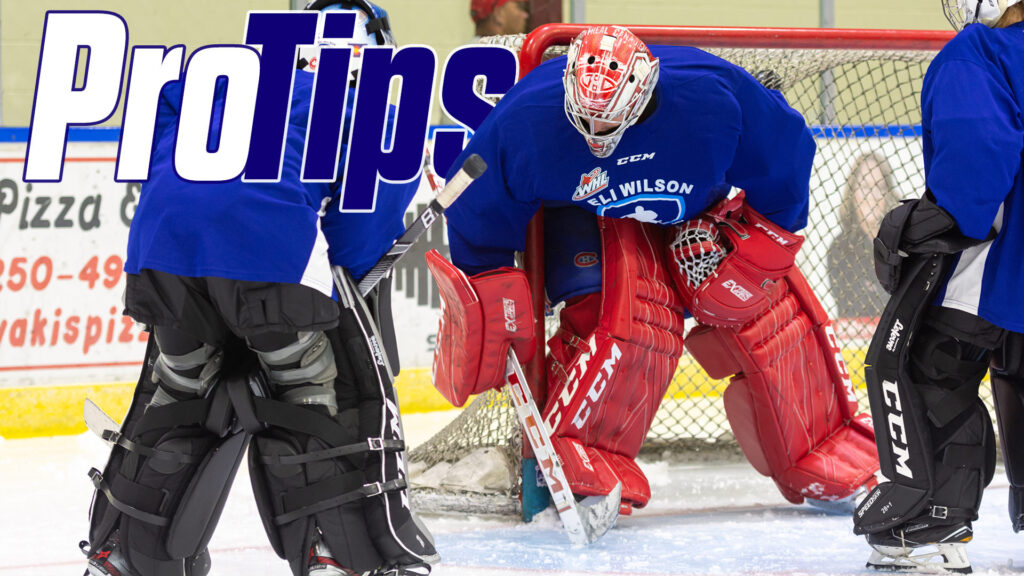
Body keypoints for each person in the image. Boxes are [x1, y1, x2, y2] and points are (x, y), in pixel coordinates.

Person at [426, 25, 880, 518]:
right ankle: (579, 457)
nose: (596, 136)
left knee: (767, 311)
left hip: (695, 214)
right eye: (585, 121)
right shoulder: (528, 118)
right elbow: (478, 212)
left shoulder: (712, 96)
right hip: (583, 214)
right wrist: (490, 291)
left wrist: (762, 245)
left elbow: (785, 158)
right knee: (628, 317)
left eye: (609, 122)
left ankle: (825, 445)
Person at [81, 2, 438, 576]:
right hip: (266, 255)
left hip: (162, 252)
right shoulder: (368, 100)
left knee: (179, 395)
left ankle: (127, 552)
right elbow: (358, 242)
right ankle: (336, 552)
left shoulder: (230, 74)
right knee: (319, 396)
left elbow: (160, 135)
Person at [852, 0, 1024, 571]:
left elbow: (978, 168)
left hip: (1001, 264)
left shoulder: (977, 51)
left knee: (932, 371)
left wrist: (919, 228)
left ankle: (931, 527)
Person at [827, 151, 903, 319]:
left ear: (887, 193)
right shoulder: (840, 247)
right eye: (865, 186)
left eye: (879, 187)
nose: (872, 195)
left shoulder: (902, 243)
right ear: (853, 192)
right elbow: (852, 303)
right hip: (856, 343)